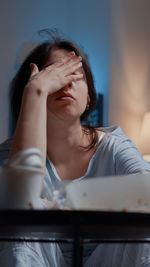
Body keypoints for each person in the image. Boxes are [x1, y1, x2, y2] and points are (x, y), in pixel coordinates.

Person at [0, 29, 150, 266]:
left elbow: (146, 187)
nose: (67, 83)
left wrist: (65, 201)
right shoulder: (12, 152)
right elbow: (17, 212)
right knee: (21, 203)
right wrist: (36, 91)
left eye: (75, 75)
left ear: (89, 96)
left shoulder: (112, 146)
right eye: (55, 74)